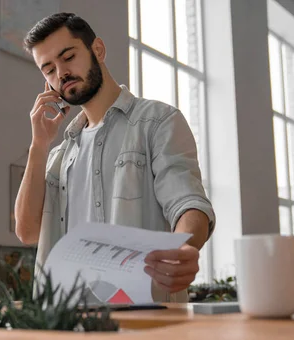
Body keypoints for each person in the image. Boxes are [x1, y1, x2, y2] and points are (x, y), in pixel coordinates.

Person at [14, 13, 215, 302]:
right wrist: (39, 145)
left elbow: (188, 203)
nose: (62, 74)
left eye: (68, 57)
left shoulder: (158, 122)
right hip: (66, 324)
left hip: (143, 321)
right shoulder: (58, 155)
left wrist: (185, 248)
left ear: (97, 50)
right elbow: (27, 231)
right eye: (49, 69)